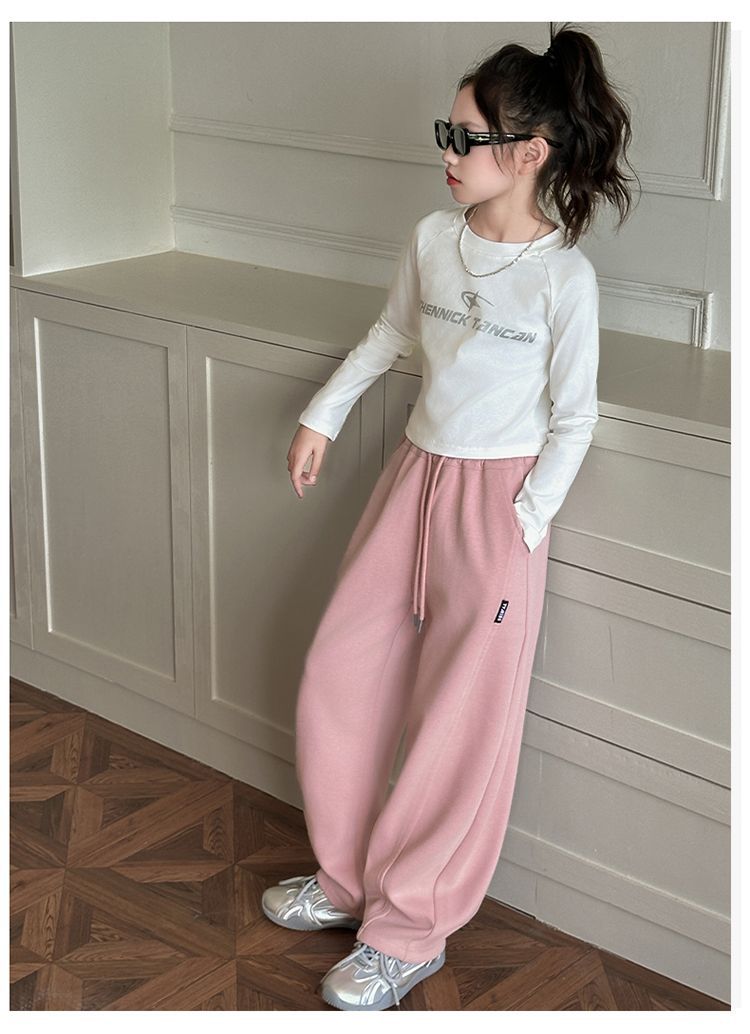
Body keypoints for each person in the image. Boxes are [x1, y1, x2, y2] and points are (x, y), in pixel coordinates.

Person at [264, 23, 639, 1011]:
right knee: (340, 670)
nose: (447, 151)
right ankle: (348, 880)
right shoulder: (434, 239)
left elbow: (576, 416)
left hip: (497, 507)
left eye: (466, 136)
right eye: (448, 131)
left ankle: (408, 931)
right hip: (413, 479)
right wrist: (321, 416)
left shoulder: (565, 277)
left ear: (530, 153)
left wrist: (526, 520)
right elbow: (391, 333)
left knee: (457, 728)